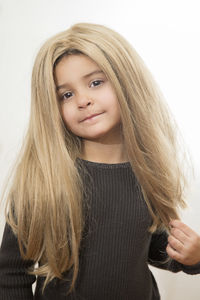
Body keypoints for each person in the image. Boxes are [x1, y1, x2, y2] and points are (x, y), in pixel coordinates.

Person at [0, 22, 200, 300]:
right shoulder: (43, 182)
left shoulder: (148, 173)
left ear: (125, 82)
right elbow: (10, 275)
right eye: (66, 95)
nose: (83, 100)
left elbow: (145, 246)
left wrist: (190, 257)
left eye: (96, 82)